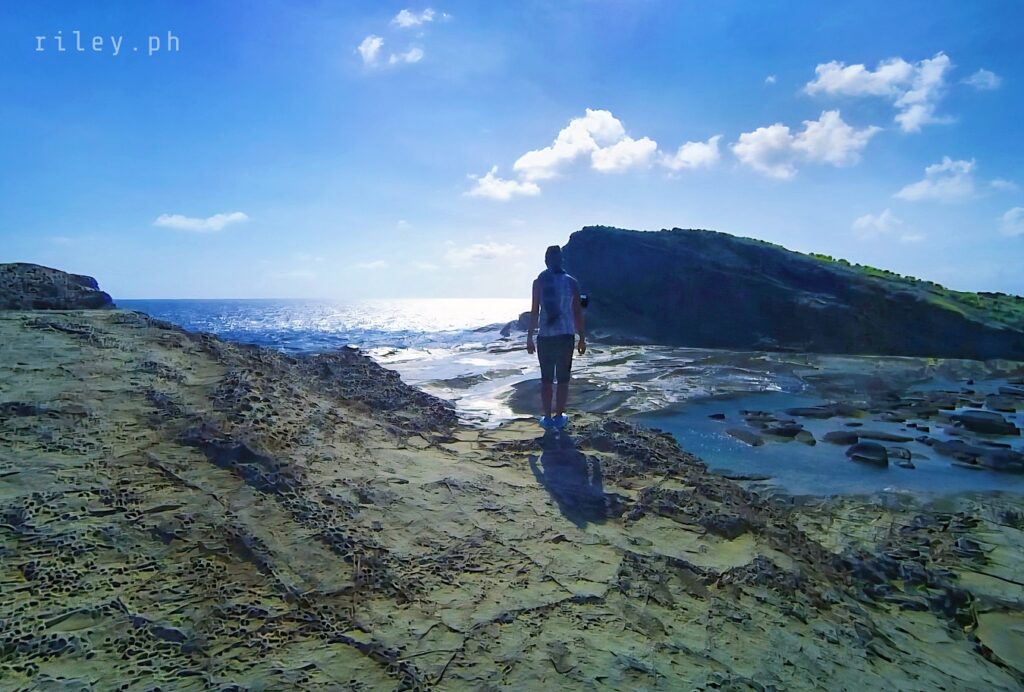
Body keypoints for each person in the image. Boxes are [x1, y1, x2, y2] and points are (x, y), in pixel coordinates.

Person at [526, 245, 585, 430]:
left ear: (546, 261)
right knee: (563, 379)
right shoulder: (572, 282)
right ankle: (559, 417)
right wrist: (582, 337)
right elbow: (577, 312)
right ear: (562, 260)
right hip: (566, 335)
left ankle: (547, 417)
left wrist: (529, 337)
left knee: (546, 380)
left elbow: (535, 311)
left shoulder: (539, 282)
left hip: (545, 336)